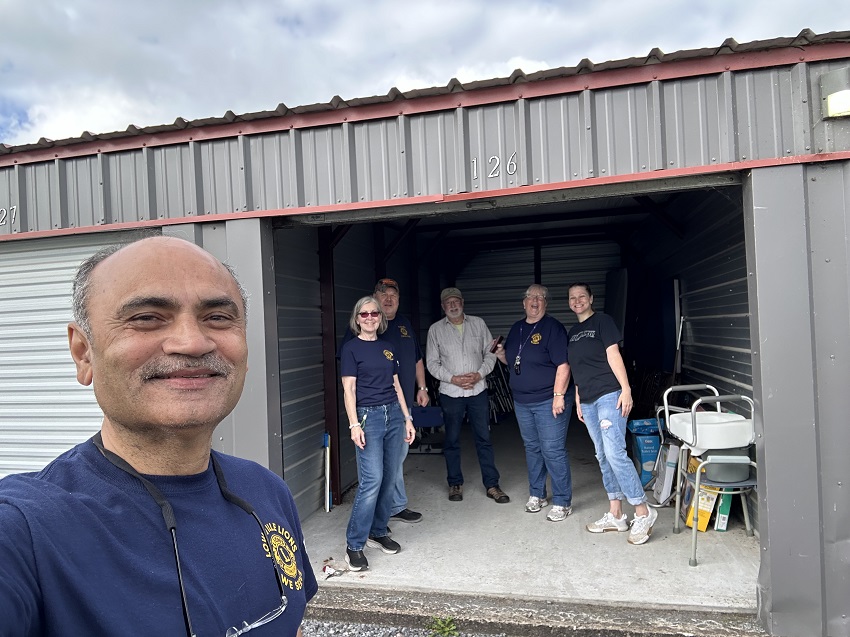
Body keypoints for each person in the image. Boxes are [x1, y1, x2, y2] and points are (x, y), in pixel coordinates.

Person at [0, 236, 317, 637]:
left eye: (218, 317)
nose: (193, 342)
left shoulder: (268, 492)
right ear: (83, 353)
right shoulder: (23, 530)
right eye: (147, 317)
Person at [566, 282, 658, 545]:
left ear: (591, 298)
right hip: (587, 399)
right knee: (601, 454)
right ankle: (616, 514)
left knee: (615, 453)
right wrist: (576, 395)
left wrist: (626, 389)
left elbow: (613, 355)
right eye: (572, 297)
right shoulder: (572, 332)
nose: (577, 300)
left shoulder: (602, 322)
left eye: (582, 296)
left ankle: (642, 511)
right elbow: (577, 366)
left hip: (609, 394)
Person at [341, 278, 427, 525]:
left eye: (393, 295)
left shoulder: (404, 326)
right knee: (374, 471)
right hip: (370, 410)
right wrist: (354, 422)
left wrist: (421, 387)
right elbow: (349, 380)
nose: (389, 299)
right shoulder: (359, 335)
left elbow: (416, 359)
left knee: (395, 459)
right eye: (383, 294)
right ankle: (373, 520)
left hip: (399, 404)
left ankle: (394, 506)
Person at [339, 296, 416, 571]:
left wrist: (407, 418)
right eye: (364, 314)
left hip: (394, 414)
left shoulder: (388, 347)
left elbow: (397, 386)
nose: (370, 318)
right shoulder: (351, 349)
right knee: (372, 480)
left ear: (380, 318)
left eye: (374, 314)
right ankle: (354, 545)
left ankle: (378, 530)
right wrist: (353, 424)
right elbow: (349, 390)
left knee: (390, 475)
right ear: (357, 319)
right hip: (368, 418)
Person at [495, 284, 574, 522]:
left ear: (546, 303)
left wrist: (559, 396)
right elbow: (514, 361)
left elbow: (564, 365)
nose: (535, 301)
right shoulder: (517, 327)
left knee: (552, 449)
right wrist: (500, 354)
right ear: (524, 303)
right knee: (532, 448)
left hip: (549, 399)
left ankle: (562, 501)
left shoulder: (553, 328)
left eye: (540, 298)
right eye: (531, 297)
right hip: (522, 401)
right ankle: (537, 494)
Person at [426, 287, 509, 504]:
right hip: (451, 393)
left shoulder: (478, 324)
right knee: (452, 440)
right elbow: (432, 363)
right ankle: (455, 483)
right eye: (448, 303)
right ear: (443, 307)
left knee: (484, 438)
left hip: (477, 391)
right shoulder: (435, 330)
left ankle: (492, 484)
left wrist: (479, 374)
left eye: (456, 302)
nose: (453, 306)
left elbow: (490, 354)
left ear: (462, 302)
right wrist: (452, 378)